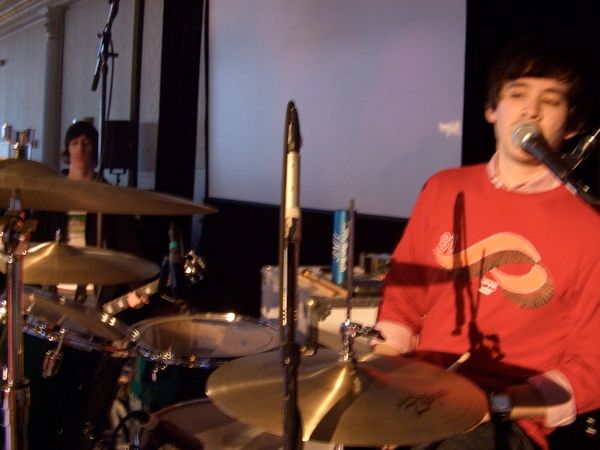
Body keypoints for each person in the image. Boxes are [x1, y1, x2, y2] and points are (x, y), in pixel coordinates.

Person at [369, 33, 600, 450]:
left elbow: (590, 368)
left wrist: (494, 404)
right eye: (517, 94)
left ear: (573, 125)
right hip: (416, 395)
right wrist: (383, 373)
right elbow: (405, 301)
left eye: (550, 100)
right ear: (492, 109)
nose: (531, 109)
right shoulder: (444, 189)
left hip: (505, 418)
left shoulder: (590, 226)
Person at [25, 120, 152, 450]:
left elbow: (129, 252)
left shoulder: (108, 197)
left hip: (95, 306)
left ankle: (83, 434)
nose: (80, 148)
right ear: (66, 150)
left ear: (95, 148)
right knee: (47, 396)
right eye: (75, 142)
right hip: (53, 304)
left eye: (86, 142)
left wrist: (137, 290)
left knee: (86, 396)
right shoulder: (51, 195)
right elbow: (33, 252)